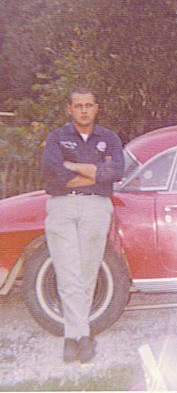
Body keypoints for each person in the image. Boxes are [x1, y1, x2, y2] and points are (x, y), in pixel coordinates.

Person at [41, 87, 124, 363]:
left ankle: (81, 334)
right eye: (78, 106)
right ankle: (74, 337)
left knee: (88, 271)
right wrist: (96, 172)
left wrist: (74, 167)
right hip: (62, 206)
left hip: (96, 207)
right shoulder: (56, 138)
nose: (84, 110)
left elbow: (116, 172)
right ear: (70, 109)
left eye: (89, 105)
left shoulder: (109, 138)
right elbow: (53, 173)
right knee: (67, 271)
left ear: (96, 108)